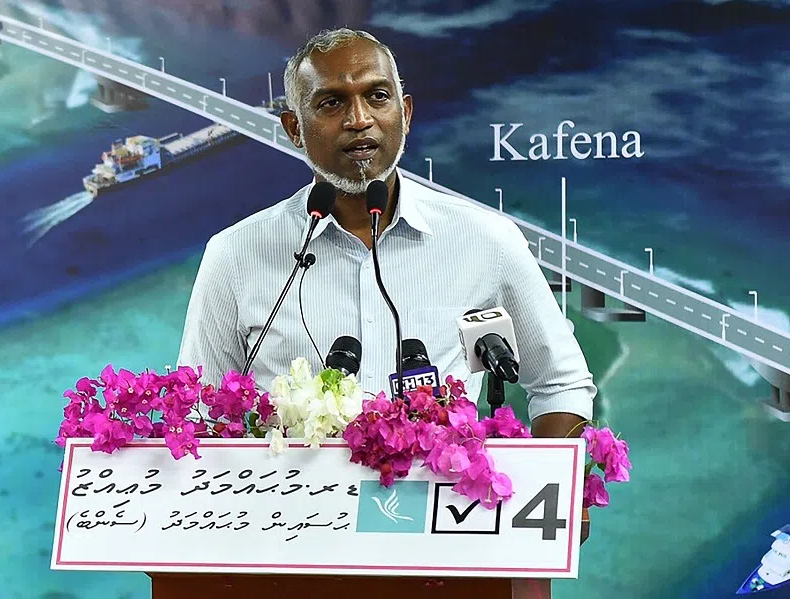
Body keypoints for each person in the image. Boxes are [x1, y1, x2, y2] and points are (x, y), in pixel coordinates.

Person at [177, 28, 597, 438]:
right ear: (294, 129)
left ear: (406, 113)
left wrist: (552, 497)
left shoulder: (487, 240)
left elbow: (562, 384)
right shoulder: (234, 255)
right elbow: (199, 414)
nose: (359, 120)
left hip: (446, 507)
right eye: (331, 102)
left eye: (377, 96)